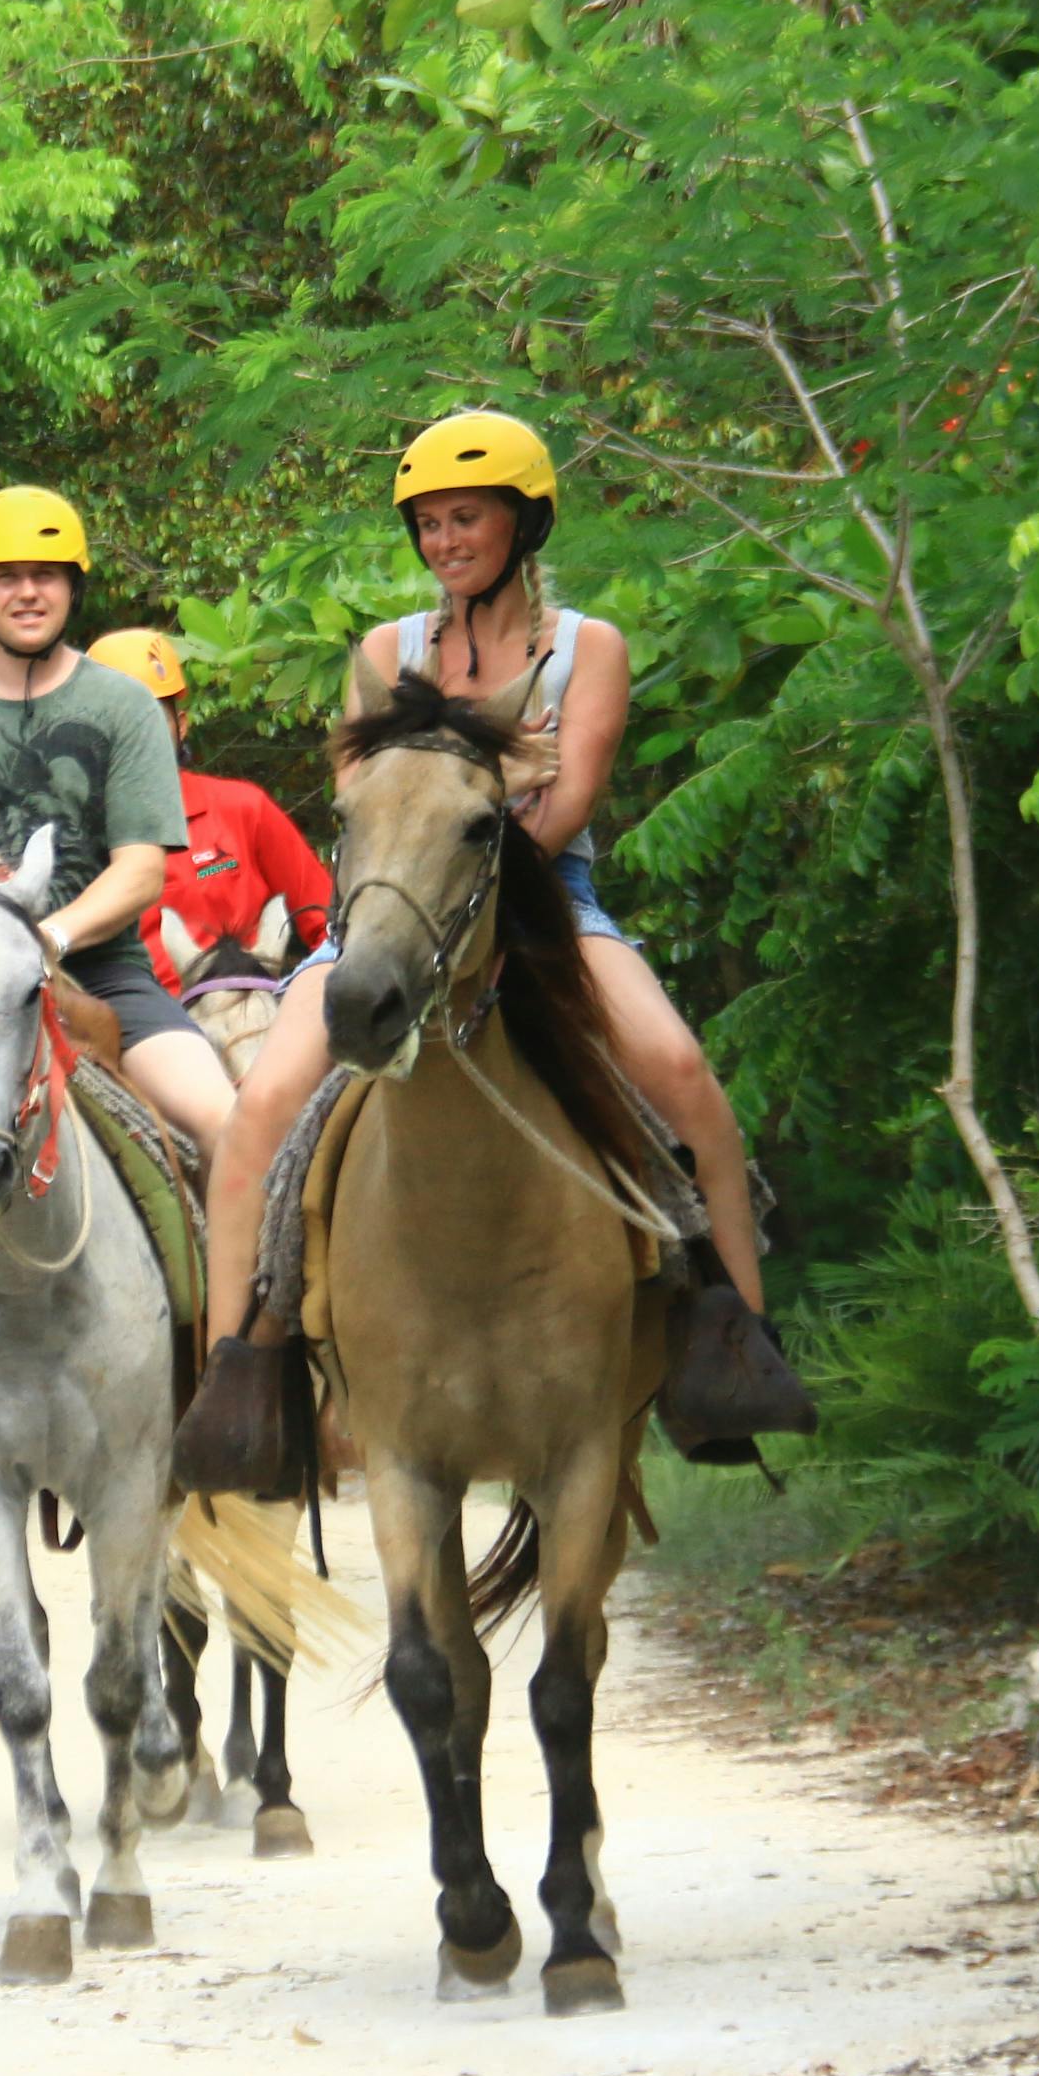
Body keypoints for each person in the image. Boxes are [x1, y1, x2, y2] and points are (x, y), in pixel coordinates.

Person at [194, 410, 769, 1368]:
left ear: (523, 524)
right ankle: (237, 1373)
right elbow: (359, 802)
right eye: (429, 523)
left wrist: (483, 884)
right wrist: (444, 852)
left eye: (466, 517)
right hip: (393, 906)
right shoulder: (385, 653)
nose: (445, 541)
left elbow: (568, 801)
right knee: (259, 1109)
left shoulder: (592, 649)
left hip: (546, 904)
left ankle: (739, 1342)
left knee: (680, 1072)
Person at [0, 491, 238, 1162]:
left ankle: (245, 1273)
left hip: (101, 973)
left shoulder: (127, 707)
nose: (28, 592)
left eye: (46, 575)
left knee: (230, 1123)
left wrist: (46, 935)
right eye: (6, 577)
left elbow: (142, 871)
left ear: (73, 588)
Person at [80, 628, 334, 993]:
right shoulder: (67, 835)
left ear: (180, 726)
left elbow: (329, 928)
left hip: (243, 1018)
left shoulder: (243, 810)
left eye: (148, 718)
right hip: (122, 1027)